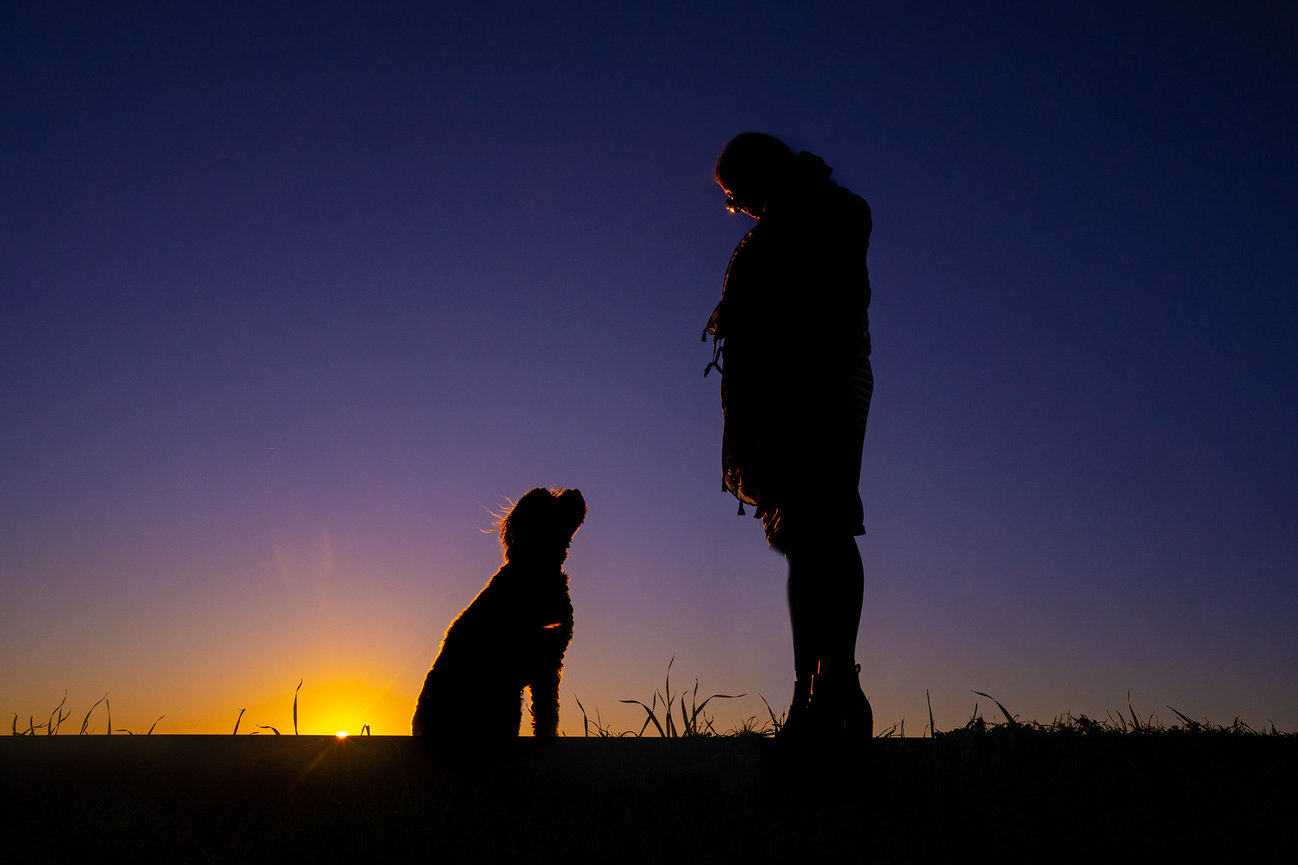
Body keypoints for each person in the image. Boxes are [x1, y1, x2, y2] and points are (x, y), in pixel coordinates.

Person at [702, 132, 874, 740]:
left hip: (823, 388)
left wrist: (794, 386)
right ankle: (812, 685)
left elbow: (833, 307)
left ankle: (837, 685)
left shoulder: (835, 210)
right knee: (803, 536)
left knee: (823, 524)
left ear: (759, 175)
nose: (738, 206)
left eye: (736, 193)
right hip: (782, 399)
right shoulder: (780, 226)